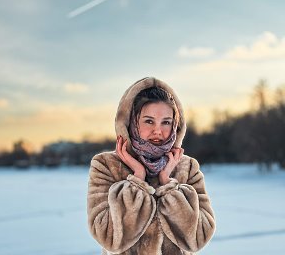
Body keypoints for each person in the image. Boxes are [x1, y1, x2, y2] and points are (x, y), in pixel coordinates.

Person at [87, 77, 215, 255]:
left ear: (175, 125)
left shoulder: (187, 166)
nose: (158, 131)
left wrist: (168, 184)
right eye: (149, 121)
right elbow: (109, 238)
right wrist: (137, 180)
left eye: (166, 122)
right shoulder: (106, 166)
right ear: (132, 121)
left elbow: (198, 239)